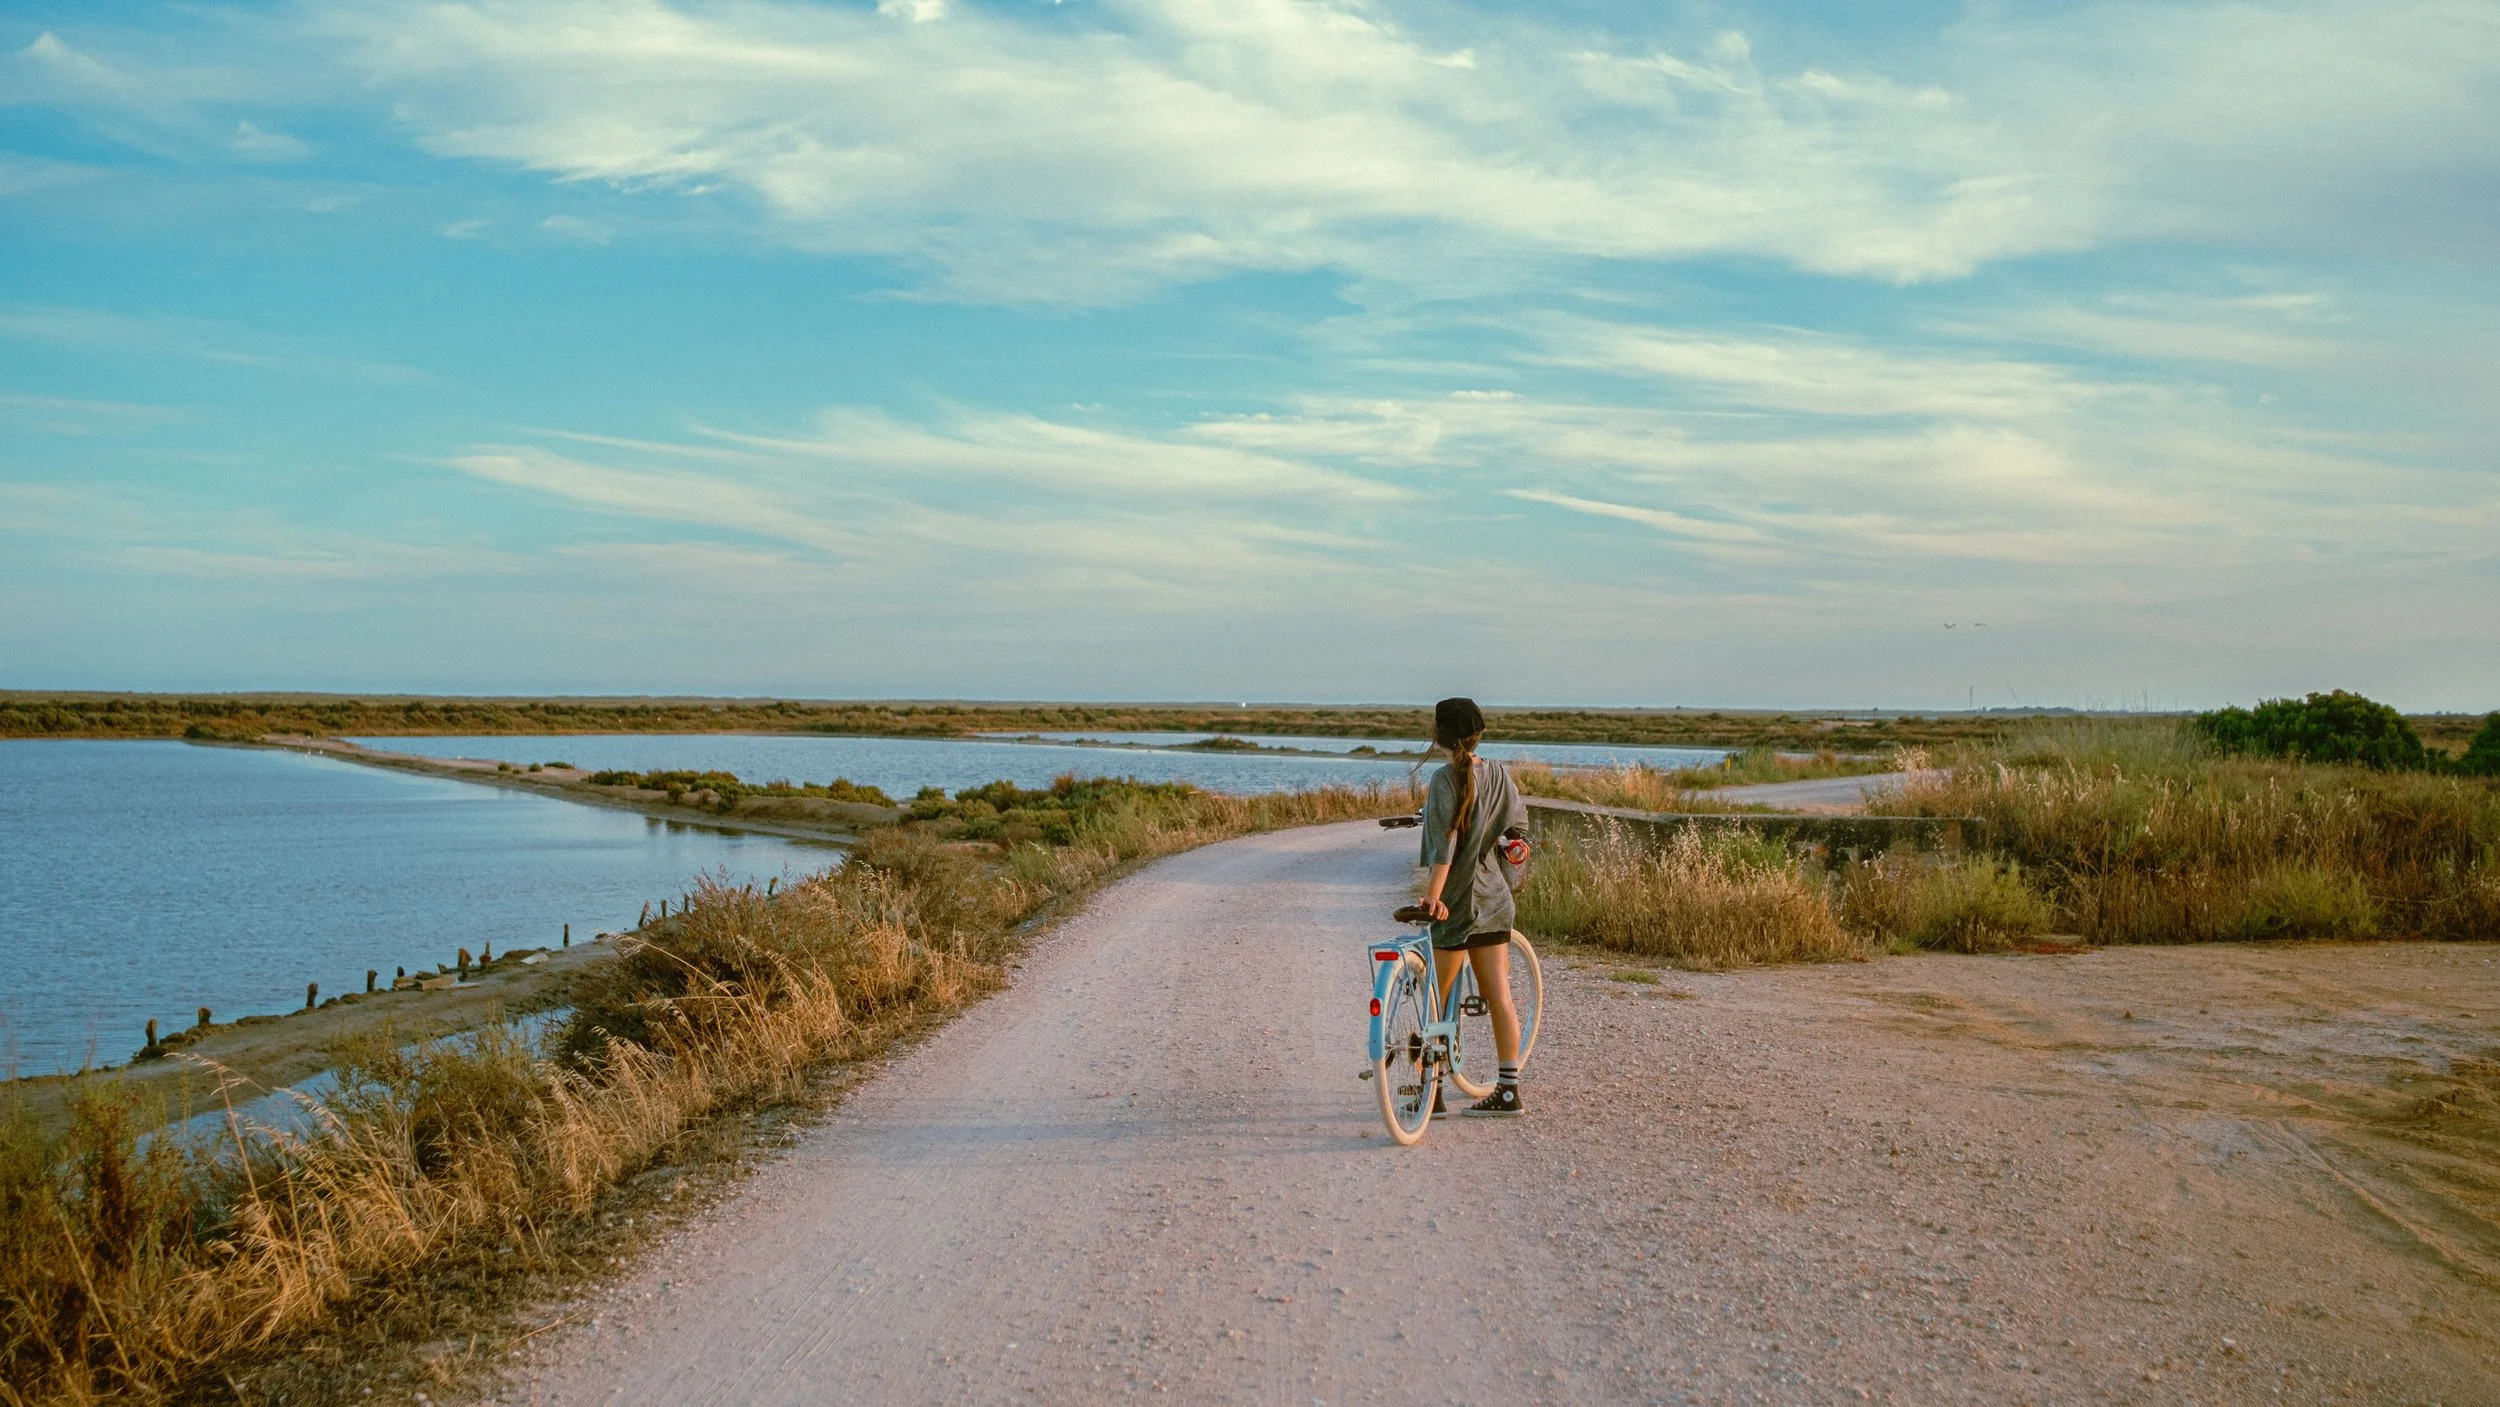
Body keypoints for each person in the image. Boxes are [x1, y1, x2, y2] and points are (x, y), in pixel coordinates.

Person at [1414, 696, 1530, 1116]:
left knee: (1435, 997)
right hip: (1495, 900)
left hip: (1457, 903)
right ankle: (1508, 1089)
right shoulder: (1500, 775)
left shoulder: (1445, 780)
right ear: (1477, 735)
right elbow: (1519, 831)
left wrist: (1433, 897)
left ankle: (1435, 1090)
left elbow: (1445, 849)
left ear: (1439, 734)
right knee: (1499, 994)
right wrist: (1513, 847)